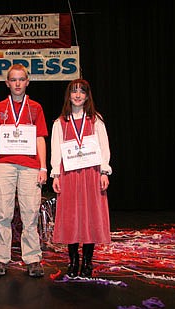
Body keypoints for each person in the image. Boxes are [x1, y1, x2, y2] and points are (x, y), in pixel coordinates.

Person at [0, 64, 48, 278]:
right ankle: (1, 258)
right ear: (7, 83)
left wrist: (43, 166)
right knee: (3, 212)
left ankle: (32, 258)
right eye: (14, 79)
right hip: (3, 164)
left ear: (27, 82)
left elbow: (40, 138)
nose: (18, 83)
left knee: (30, 212)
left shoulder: (36, 108)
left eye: (22, 79)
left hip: (30, 165)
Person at [50, 78, 111, 278]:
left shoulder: (96, 120)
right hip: (68, 174)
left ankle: (87, 260)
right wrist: (55, 175)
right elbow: (55, 151)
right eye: (74, 91)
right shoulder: (60, 123)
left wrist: (104, 171)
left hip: (91, 174)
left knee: (90, 216)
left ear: (87, 96)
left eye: (81, 91)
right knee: (71, 217)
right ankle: (73, 260)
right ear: (68, 95)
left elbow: (104, 147)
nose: (77, 95)